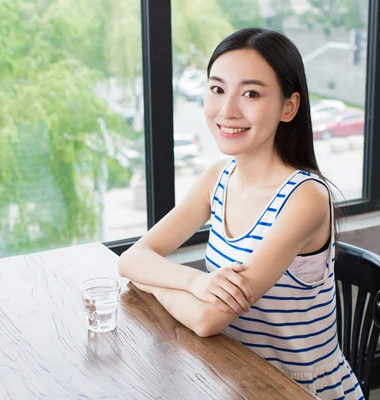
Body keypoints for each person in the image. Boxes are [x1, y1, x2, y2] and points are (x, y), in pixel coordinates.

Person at [118, 28, 363, 399]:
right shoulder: (219, 176)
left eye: (250, 93)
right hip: (232, 375)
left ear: (288, 107)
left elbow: (207, 319)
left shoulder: (306, 198)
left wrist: (153, 281)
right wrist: (195, 283)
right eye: (217, 89)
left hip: (294, 390)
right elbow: (131, 259)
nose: (227, 110)